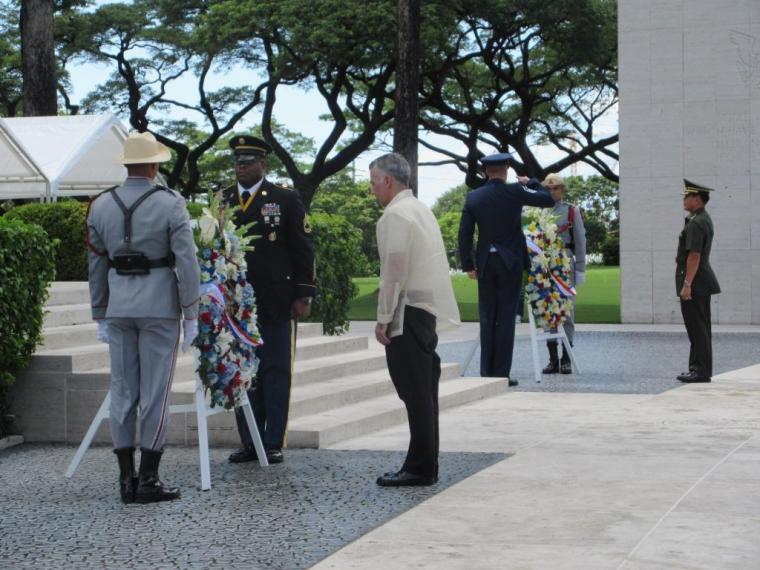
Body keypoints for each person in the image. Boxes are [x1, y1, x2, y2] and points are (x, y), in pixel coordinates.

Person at [86, 131, 200, 504]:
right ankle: (148, 479)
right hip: (159, 308)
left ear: (126, 164)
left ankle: (125, 480)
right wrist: (192, 312)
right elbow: (186, 261)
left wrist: (100, 310)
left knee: (122, 391)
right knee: (155, 394)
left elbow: (96, 263)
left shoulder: (100, 205)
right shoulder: (170, 203)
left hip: (119, 306)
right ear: (154, 165)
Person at [221, 135, 316, 465]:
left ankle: (273, 440)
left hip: (277, 300)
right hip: (236, 304)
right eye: (237, 161)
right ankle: (249, 441)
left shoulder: (285, 199)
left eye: (248, 161)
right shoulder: (222, 200)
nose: (241, 166)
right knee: (243, 372)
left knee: (275, 371)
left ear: (263, 164)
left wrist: (304, 293)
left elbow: (303, 247)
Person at [370, 152, 460, 487]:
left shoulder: (396, 214)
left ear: (388, 181)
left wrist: (383, 317)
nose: (372, 191)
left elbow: (394, 270)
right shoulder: (419, 209)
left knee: (416, 394)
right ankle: (421, 463)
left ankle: (421, 467)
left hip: (407, 312)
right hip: (424, 311)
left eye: (373, 184)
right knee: (423, 393)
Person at [458, 153, 554, 385]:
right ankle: (501, 373)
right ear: (507, 168)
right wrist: (530, 182)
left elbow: (465, 234)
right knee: (506, 318)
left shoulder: (474, 197)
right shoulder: (515, 191)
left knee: (487, 317)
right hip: (510, 262)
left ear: (486, 171)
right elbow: (548, 199)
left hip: (485, 263)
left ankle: (486, 373)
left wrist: (469, 264)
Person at [540, 173, 586, 374]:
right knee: (548, 311)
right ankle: (552, 358)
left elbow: (580, 240)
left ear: (562, 190)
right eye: (548, 188)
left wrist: (581, 268)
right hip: (544, 265)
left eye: (555, 188)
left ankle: (566, 357)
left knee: (566, 312)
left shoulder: (571, 211)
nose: (552, 192)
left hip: (565, 263)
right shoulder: (539, 211)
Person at [676, 179, 721, 383]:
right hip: (700, 279)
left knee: (697, 327)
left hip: (696, 281)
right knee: (698, 327)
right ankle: (697, 368)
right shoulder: (701, 219)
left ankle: (700, 371)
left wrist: (687, 284)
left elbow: (694, 255)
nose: (684, 200)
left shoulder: (696, 222)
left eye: (687, 196)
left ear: (696, 198)